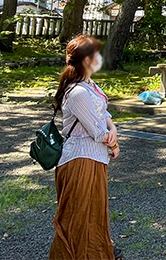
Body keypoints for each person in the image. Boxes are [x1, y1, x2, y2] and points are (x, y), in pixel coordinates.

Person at [49, 35, 122, 260]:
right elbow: (97, 131)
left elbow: (104, 115)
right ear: (87, 60)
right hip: (80, 159)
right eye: (96, 54)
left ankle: (96, 252)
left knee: (94, 211)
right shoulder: (78, 91)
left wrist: (114, 128)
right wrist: (112, 140)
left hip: (95, 157)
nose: (100, 57)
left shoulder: (90, 85)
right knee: (77, 214)